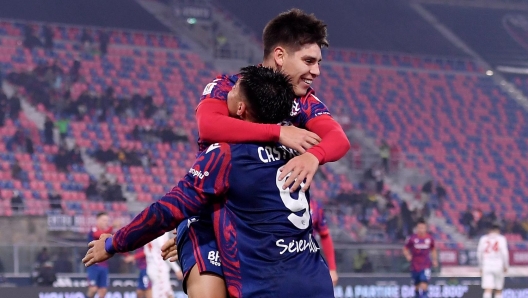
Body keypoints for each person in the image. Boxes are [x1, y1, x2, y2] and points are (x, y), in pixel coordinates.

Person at [83, 66, 335, 297]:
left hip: (267, 286)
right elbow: (252, 211)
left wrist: (113, 243)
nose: (228, 91)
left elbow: (168, 210)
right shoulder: (297, 153)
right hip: (316, 282)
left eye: (235, 89)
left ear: (240, 109)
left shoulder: (225, 154)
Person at [164, 8, 348, 296]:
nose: (316, 71)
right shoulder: (228, 87)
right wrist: (277, 132)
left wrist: (314, 155)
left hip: (257, 233)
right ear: (279, 56)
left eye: (318, 62)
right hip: (209, 223)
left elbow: (338, 139)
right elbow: (209, 125)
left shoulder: (304, 102)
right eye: (309, 61)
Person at [403, 218, 438, 298]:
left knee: (424, 283)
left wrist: (435, 260)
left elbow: (433, 250)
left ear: (426, 228)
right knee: (417, 286)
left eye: (423, 228)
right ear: (417, 228)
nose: (421, 230)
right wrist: (408, 255)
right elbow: (405, 248)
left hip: (426, 265)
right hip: (415, 265)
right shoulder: (412, 238)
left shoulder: (429, 238)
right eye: (420, 228)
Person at [144, 233, 183, 298]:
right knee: (161, 294)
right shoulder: (161, 232)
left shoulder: (149, 230)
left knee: (168, 294)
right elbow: (164, 252)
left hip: (152, 267)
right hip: (159, 269)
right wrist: (177, 269)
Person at [86, 212, 115, 298]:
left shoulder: (107, 233)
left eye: (107, 220)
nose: (105, 222)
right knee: (93, 289)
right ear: (98, 220)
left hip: (104, 265)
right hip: (94, 265)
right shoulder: (94, 230)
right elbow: (99, 235)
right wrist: (112, 227)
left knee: (103, 291)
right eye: (103, 220)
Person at [477, 221, 509, 298]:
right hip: (498, 264)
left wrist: (480, 267)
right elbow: (505, 253)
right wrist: (506, 266)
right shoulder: (501, 239)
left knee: (488, 288)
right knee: (498, 289)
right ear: (498, 230)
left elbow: (479, 254)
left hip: (487, 264)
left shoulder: (483, 239)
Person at [310, 199, 338, 285]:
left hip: (308, 262)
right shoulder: (276, 202)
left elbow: (325, 235)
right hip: (280, 262)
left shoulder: (314, 206)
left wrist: (332, 269)